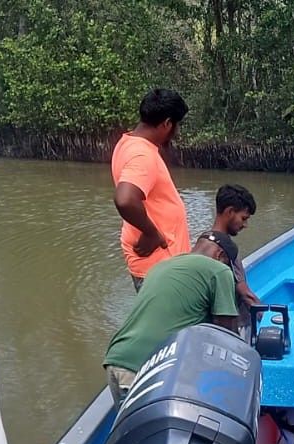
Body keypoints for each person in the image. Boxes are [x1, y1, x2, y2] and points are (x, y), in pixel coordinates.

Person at [103, 253, 238, 407]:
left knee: (130, 430)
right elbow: (226, 339)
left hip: (116, 359)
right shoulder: (220, 271)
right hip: (146, 370)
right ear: (221, 256)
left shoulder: (161, 266)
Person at [111, 88, 191, 291]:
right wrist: (152, 233)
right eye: (177, 125)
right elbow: (125, 199)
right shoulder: (142, 155)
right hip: (160, 267)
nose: (177, 131)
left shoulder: (127, 143)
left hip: (158, 264)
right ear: (166, 124)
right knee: (170, 322)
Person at [199, 184, 262, 340]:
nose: (245, 225)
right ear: (230, 212)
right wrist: (263, 314)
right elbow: (246, 295)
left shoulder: (203, 241)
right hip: (235, 326)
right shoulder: (225, 248)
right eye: (243, 218)